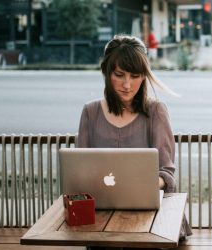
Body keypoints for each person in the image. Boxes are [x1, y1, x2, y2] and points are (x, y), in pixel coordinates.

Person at [77, 34, 192, 240]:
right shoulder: (90, 112)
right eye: (119, 75)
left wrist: (134, 185)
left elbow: (166, 174)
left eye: (135, 75)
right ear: (106, 72)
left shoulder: (156, 110)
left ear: (144, 76)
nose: (127, 85)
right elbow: (79, 170)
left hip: (153, 219)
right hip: (101, 217)